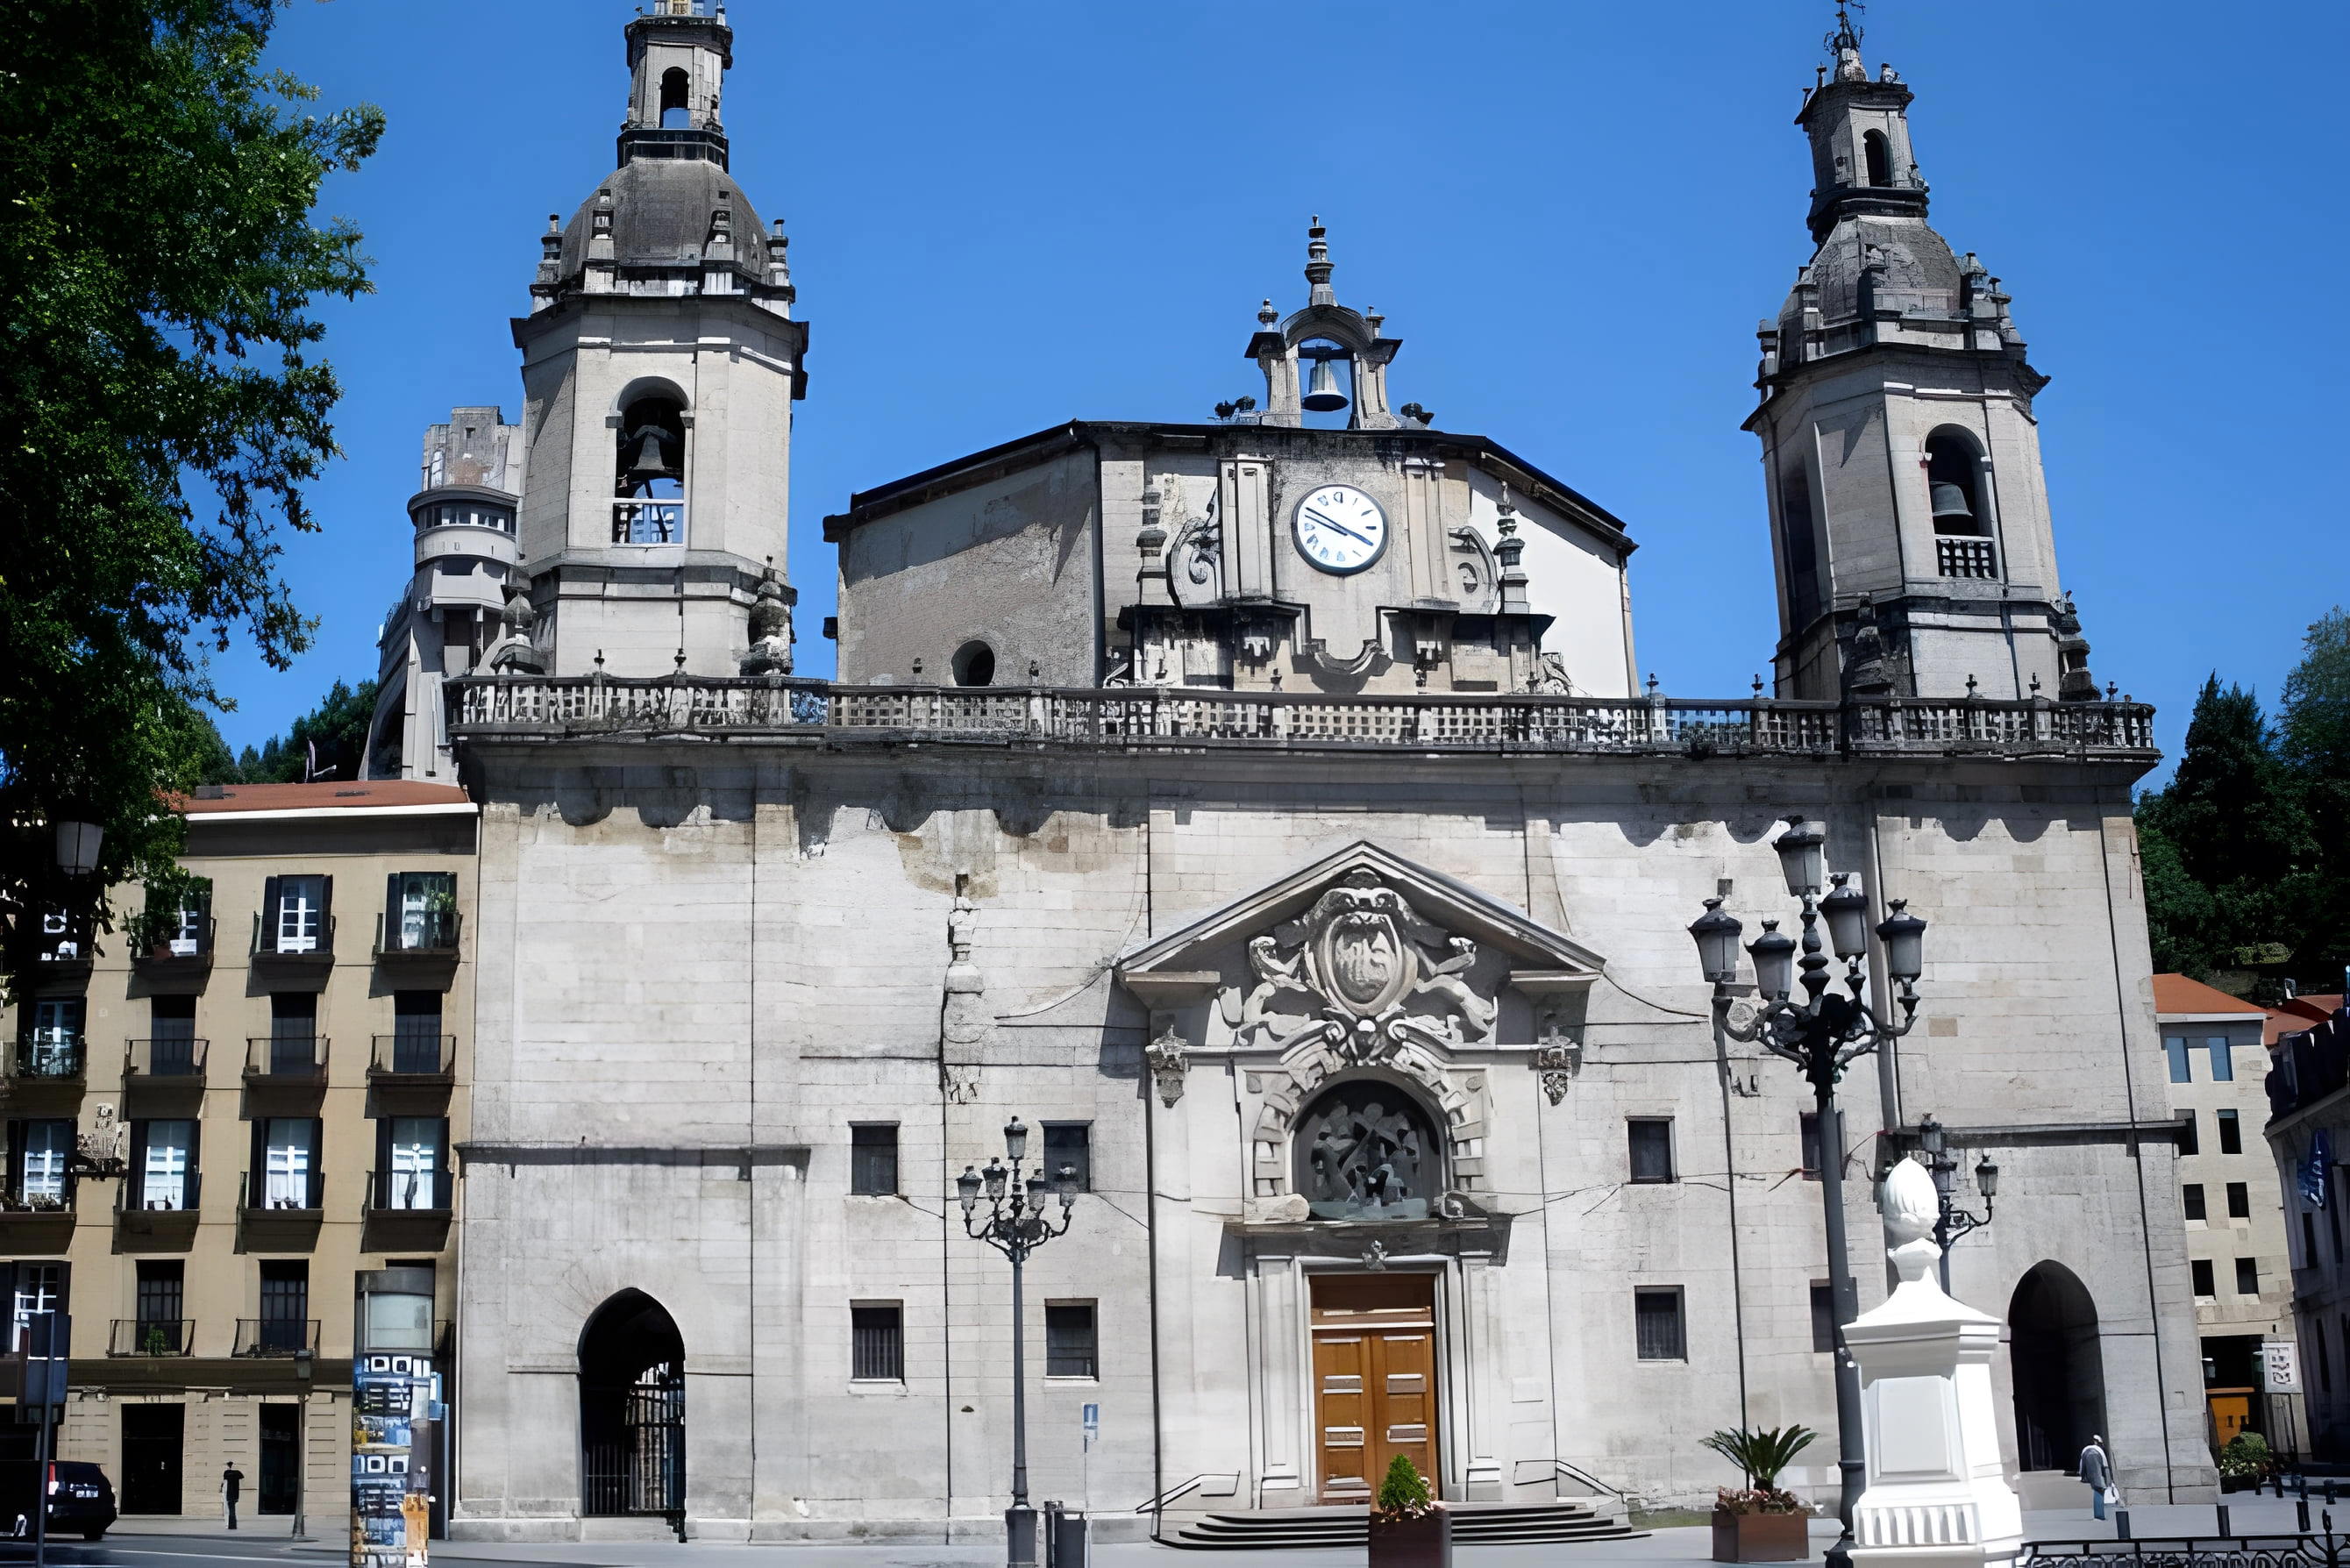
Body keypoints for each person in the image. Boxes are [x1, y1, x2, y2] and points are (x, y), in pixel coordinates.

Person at [2078, 1435, 2113, 1522]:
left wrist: (2083, 1476)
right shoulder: (2097, 1450)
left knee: (2098, 1487)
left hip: (2090, 1457)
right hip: (2095, 1457)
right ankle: (2099, 1516)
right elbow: (2104, 1466)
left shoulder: (2086, 1450)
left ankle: (2099, 1515)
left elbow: (2082, 1466)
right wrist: (2108, 1481)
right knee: (2099, 1488)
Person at [221, 1464, 245, 1530]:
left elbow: (224, 1482)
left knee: (229, 1510)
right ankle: (232, 1525)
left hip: (229, 1493)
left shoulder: (226, 1473)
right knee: (232, 1510)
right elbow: (242, 1479)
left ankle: (231, 1525)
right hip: (235, 1494)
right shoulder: (238, 1472)